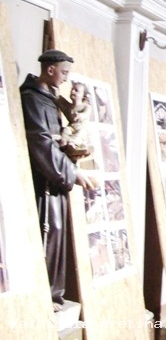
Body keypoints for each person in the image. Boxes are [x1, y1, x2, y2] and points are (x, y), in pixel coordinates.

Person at [20, 49, 96, 311]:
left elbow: (57, 138)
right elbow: (40, 144)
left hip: (55, 180)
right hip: (43, 182)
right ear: (50, 69)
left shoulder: (50, 99)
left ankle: (53, 294)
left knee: (56, 233)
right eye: (63, 72)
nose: (66, 79)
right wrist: (73, 173)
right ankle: (45, 296)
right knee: (48, 232)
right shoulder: (31, 99)